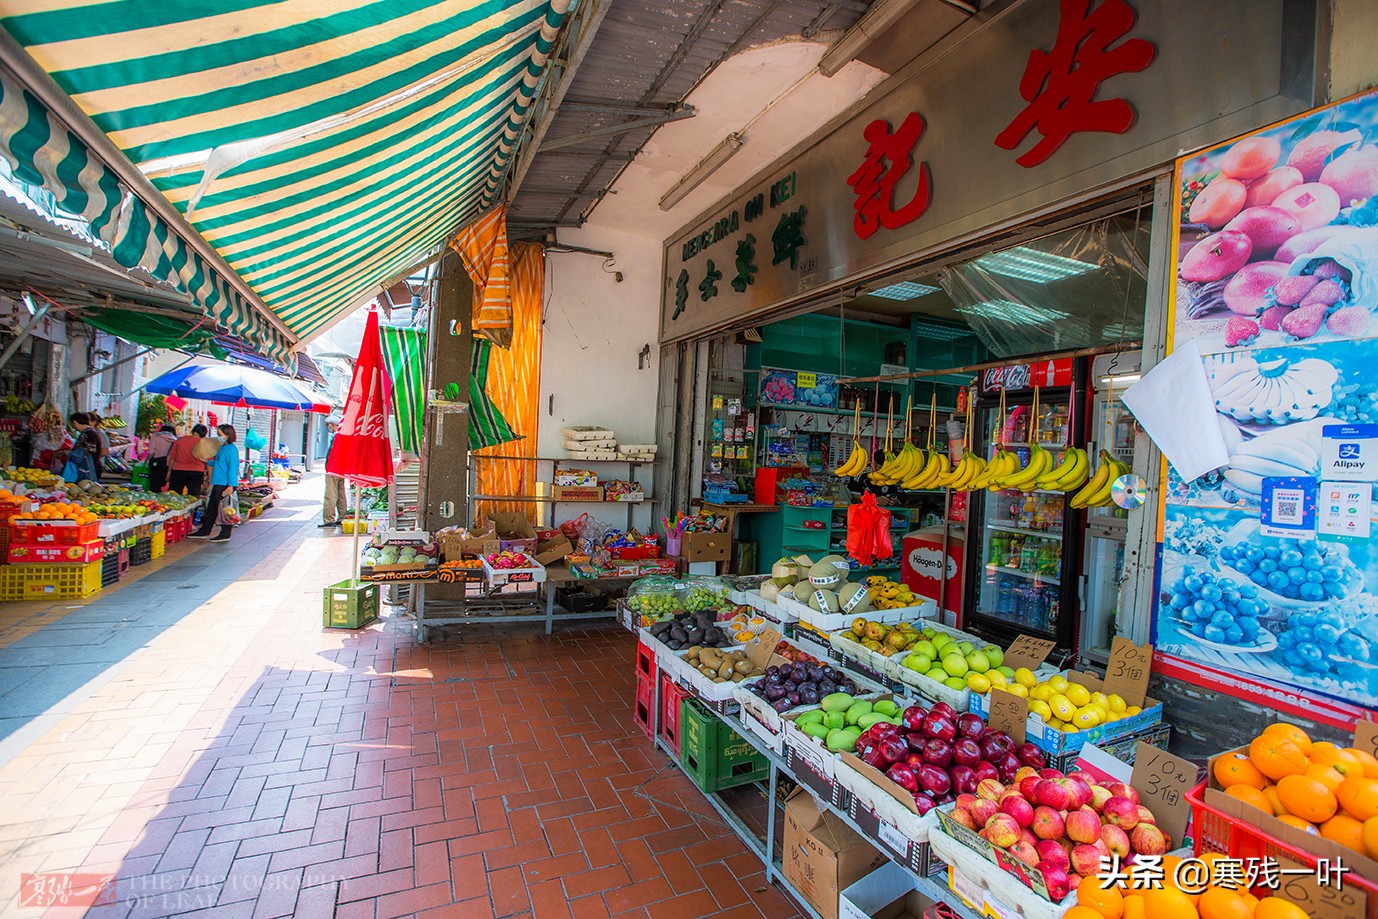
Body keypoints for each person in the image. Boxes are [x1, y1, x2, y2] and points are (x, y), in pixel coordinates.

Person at [189, 425, 240, 543]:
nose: (219, 437)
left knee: (225, 509)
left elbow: (233, 468)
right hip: (218, 482)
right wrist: (207, 461)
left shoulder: (231, 450)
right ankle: (205, 530)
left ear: (228, 435)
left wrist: (231, 485)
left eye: (220, 435)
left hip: (225, 483)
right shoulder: (222, 448)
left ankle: (225, 532)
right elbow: (219, 463)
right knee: (212, 508)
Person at [320, 417, 347, 528]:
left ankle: (328, 519)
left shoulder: (336, 436)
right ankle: (342, 517)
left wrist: (328, 467)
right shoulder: (344, 435)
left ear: (332, 424)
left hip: (333, 468)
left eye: (329, 425)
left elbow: (331, 453)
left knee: (330, 494)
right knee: (341, 493)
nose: (328, 427)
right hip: (342, 468)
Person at [167, 424, 210, 495]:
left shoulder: (180, 440)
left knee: (174, 494)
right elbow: (209, 462)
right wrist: (209, 477)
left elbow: (172, 458)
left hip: (178, 470)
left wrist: (169, 471)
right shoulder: (205, 444)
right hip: (196, 471)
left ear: (193, 431)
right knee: (193, 496)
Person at [147, 424, 177, 492]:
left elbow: (151, 452)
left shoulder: (155, 437)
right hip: (169, 466)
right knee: (164, 485)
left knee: (154, 486)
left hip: (156, 464)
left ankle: (153, 500)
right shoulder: (175, 440)